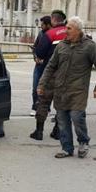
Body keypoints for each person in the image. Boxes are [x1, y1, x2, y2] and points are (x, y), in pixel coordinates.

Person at [37, 16, 96, 159]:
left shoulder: (90, 46)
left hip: (78, 91)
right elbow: (50, 67)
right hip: (60, 90)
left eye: (69, 28)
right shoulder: (61, 45)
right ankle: (67, 148)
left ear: (78, 30)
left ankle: (83, 142)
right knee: (62, 121)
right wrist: (42, 84)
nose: (66, 31)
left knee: (77, 118)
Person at [29, 10, 66, 141]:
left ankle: (39, 132)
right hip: (66, 74)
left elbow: (39, 52)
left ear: (53, 20)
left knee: (44, 102)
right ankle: (57, 131)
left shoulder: (50, 34)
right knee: (61, 104)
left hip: (50, 73)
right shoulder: (72, 33)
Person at [31, 16, 52, 116]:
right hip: (39, 66)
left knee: (47, 88)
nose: (41, 26)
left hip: (49, 66)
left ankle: (46, 107)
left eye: (43, 24)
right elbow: (35, 47)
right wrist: (35, 57)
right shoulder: (40, 34)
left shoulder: (52, 35)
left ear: (48, 25)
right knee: (36, 86)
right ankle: (35, 107)